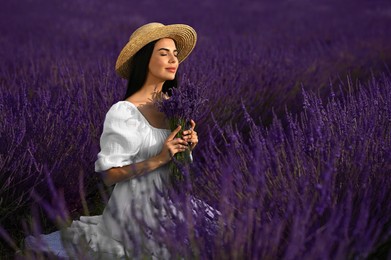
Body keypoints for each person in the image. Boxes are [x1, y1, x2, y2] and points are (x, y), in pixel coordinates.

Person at [25, 22, 215, 259]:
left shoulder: (174, 106)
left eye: (175, 54)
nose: (173, 60)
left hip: (171, 200)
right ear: (144, 59)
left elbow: (179, 167)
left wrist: (187, 147)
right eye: (164, 53)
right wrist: (159, 159)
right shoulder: (123, 112)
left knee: (213, 234)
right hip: (135, 209)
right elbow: (108, 175)